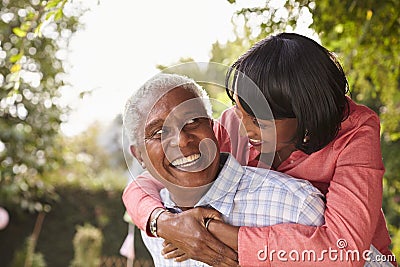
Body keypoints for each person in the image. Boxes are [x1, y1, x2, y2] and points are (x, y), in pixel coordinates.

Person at [122, 33, 397, 266]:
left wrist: (208, 230)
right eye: (239, 111)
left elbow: (343, 251)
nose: (243, 129)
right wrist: (163, 222)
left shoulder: (356, 132)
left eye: (258, 121)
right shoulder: (234, 123)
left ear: (304, 116)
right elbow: (147, 182)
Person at [124, 73, 327, 266]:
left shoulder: (296, 205)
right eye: (159, 132)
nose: (183, 141)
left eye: (193, 121)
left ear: (213, 128)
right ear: (140, 156)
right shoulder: (156, 227)